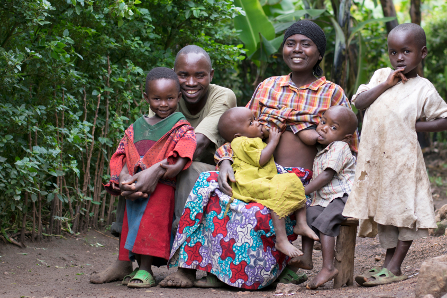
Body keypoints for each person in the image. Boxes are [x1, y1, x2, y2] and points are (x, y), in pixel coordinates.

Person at [166, 20, 358, 289]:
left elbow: (348, 146)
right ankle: (189, 266)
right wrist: (224, 161)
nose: (297, 49)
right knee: (205, 187)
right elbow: (238, 129)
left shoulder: (331, 92)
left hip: (301, 182)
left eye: (306, 44)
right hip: (257, 172)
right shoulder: (268, 87)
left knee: (254, 213)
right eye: (290, 43)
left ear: (319, 52)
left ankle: (247, 276)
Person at [90, 45, 236, 285]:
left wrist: (153, 171)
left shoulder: (222, 96)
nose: (191, 82)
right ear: (172, 75)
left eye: (199, 75)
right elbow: (148, 142)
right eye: (183, 75)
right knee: (132, 171)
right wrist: (130, 172)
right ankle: (123, 259)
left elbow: (196, 145)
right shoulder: (164, 93)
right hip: (170, 164)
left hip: (211, 169)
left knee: (187, 172)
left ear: (211, 75)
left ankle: (185, 265)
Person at [342, 23, 447, 286]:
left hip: (404, 162)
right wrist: (386, 83)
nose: (399, 58)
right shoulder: (382, 75)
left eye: (406, 51)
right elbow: (358, 103)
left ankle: (394, 267)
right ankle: (387, 264)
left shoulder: (423, 88)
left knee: (404, 210)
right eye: (393, 52)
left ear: (423, 53)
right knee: (386, 211)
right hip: (377, 161)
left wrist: (412, 125)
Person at [104, 67, 197, 287]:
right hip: (133, 189)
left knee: (149, 227)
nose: (164, 104)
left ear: (179, 97)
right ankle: (131, 267)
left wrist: (161, 170)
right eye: (157, 98)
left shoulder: (181, 127)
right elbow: (122, 153)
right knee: (132, 225)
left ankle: (146, 271)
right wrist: (124, 177)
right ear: (146, 97)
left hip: (161, 190)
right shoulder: (136, 127)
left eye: (170, 98)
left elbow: (182, 158)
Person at [217, 107, 319, 257]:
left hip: (264, 179)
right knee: (277, 194)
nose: (258, 123)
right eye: (251, 123)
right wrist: (273, 142)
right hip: (249, 182)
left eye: (256, 119)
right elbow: (260, 160)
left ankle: (301, 224)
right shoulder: (241, 142)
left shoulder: (253, 139)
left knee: (292, 180)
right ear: (237, 134)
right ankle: (281, 239)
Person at [287, 105, 357, 289]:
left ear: (346, 137)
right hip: (326, 199)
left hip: (344, 197)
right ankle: (307, 258)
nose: (324, 128)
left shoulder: (340, 147)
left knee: (325, 221)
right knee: (309, 215)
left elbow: (327, 175)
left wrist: (304, 190)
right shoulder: (324, 149)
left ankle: (328, 267)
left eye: (333, 127)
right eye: (324, 122)